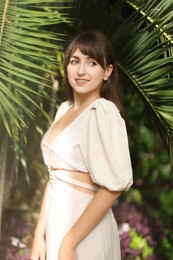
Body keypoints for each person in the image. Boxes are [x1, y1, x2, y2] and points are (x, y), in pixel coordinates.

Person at [31, 31, 133, 260]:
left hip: (84, 229)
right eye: (75, 61)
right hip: (59, 223)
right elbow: (54, 178)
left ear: (107, 71)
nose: (81, 71)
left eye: (92, 63)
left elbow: (113, 186)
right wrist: (39, 236)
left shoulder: (103, 112)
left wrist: (70, 242)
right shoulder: (64, 109)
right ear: (66, 66)